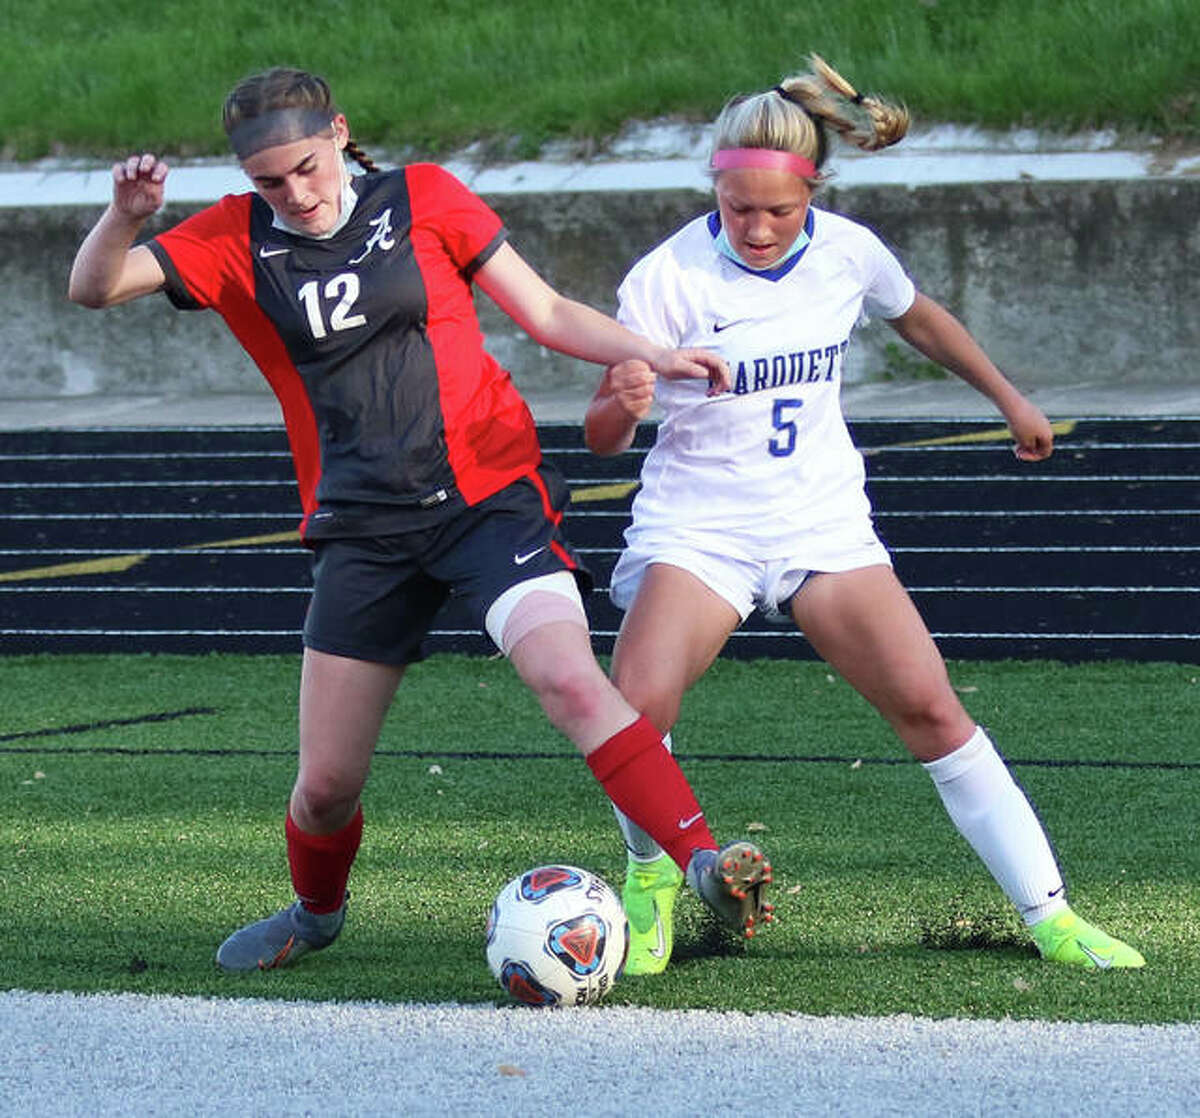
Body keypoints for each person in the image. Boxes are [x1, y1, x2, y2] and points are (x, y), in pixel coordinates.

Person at [68, 66, 775, 972]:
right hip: (363, 531)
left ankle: (704, 861)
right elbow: (95, 287)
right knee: (324, 788)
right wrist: (126, 213)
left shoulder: (426, 197)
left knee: (568, 679)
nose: (297, 194)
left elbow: (548, 310)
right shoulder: (235, 241)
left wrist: (655, 354)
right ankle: (316, 914)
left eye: (309, 168)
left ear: (339, 136)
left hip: (488, 499)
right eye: (271, 182)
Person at [585, 55, 1144, 975]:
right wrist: (628, 397)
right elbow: (605, 435)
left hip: (820, 522)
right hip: (700, 528)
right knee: (636, 708)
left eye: (781, 210)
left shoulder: (848, 249)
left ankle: (1051, 916)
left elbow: (920, 316)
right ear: (713, 190)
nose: (760, 229)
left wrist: (1010, 398)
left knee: (931, 708)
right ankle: (653, 882)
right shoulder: (663, 279)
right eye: (739, 211)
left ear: (814, 189)